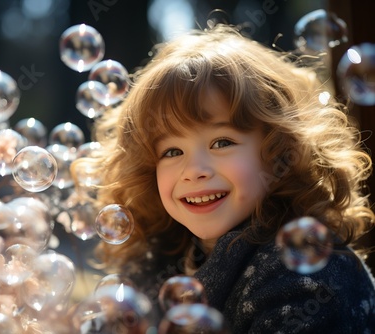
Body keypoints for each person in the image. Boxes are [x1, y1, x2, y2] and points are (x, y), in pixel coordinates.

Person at [71, 24, 375, 332]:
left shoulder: (307, 280)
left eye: (222, 143)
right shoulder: (156, 265)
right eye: (172, 151)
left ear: (280, 150)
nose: (193, 170)